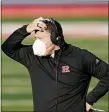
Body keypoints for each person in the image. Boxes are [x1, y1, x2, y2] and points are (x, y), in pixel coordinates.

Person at [1, 17, 109, 112]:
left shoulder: (80, 56)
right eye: (36, 39)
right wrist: (26, 29)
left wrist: (90, 100)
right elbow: (7, 48)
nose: (36, 44)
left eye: (40, 39)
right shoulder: (33, 56)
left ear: (56, 38)